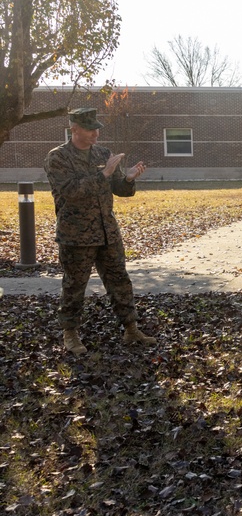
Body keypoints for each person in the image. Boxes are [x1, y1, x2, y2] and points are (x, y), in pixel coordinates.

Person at [43, 108, 156, 355]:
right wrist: (103, 173)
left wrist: (128, 179)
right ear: (74, 129)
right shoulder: (58, 157)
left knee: (120, 280)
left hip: (107, 232)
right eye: (89, 128)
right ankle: (70, 334)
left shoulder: (104, 153)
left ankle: (131, 328)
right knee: (74, 285)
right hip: (76, 235)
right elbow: (70, 191)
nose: (95, 133)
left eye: (97, 128)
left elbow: (119, 190)